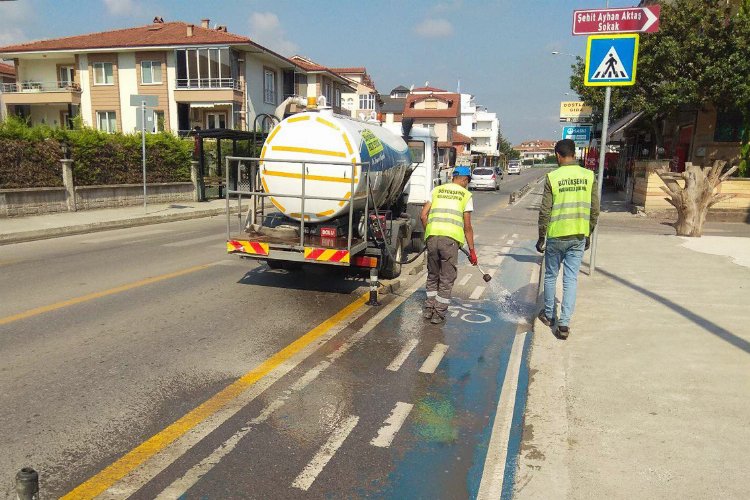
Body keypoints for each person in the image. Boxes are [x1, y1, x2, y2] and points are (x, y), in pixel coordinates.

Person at [536, 139, 600, 339]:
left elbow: (545, 210)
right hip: (578, 235)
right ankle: (564, 324)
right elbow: (595, 209)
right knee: (571, 278)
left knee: (550, 276)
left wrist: (541, 236)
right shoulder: (589, 176)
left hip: (556, 235)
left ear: (557, 155)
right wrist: (588, 232)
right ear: (574, 154)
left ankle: (549, 315)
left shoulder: (553, 177)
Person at [420, 166, 478, 324]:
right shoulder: (466, 195)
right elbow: (467, 227)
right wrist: (472, 251)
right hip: (450, 241)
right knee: (446, 278)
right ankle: (438, 313)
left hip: (432, 237)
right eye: (467, 181)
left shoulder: (437, 190)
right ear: (465, 179)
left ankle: (429, 308)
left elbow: (423, 215)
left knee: (433, 275)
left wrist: (429, 233)